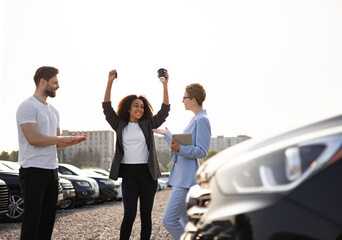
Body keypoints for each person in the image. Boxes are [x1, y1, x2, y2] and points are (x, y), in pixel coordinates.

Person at [16, 66, 87, 240]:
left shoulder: (53, 111)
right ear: (43, 82)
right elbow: (34, 138)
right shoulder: (27, 106)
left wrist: (69, 142)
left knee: (47, 222)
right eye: (55, 82)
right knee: (32, 220)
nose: (58, 86)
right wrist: (62, 139)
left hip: (52, 172)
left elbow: (52, 143)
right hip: (32, 171)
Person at [102, 69, 170, 240]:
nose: (140, 108)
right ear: (128, 108)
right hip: (130, 176)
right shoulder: (119, 124)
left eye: (142, 106)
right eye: (136, 106)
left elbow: (164, 111)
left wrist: (165, 85)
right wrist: (110, 81)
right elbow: (107, 108)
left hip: (148, 175)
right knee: (129, 215)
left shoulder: (148, 124)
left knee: (146, 217)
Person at [153, 83, 211, 240]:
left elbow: (202, 151)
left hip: (186, 181)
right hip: (182, 179)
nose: (182, 101)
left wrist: (179, 149)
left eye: (184, 98)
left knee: (169, 220)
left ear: (193, 99)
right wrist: (168, 135)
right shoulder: (195, 119)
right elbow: (183, 146)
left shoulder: (202, 120)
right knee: (186, 222)